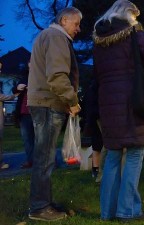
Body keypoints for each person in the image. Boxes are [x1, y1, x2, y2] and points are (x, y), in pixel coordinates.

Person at [92, 0, 144, 221]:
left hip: (108, 103)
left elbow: (96, 75)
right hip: (133, 101)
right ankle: (127, 210)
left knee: (113, 156)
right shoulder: (134, 33)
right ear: (129, 14)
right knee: (135, 154)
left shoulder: (98, 40)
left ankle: (107, 212)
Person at [27, 7, 82, 221]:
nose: (79, 28)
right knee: (45, 158)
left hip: (44, 102)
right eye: (76, 23)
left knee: (45, 157)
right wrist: (72, 101)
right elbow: (58, 76)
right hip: (48, 105)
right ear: (64, 20)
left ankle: (44, 203)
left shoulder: (49, 36)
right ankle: (40, 207)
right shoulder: (56, 37)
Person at [12, 61, 35, 169]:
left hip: (38, 112)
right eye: (30, 62)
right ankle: (30, 160)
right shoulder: (24, 77)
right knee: (27, 139)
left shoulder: (42, 75)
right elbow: (15, 90)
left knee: (42, 138)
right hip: (24, 113)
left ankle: (48, 162)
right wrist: (18, 87)